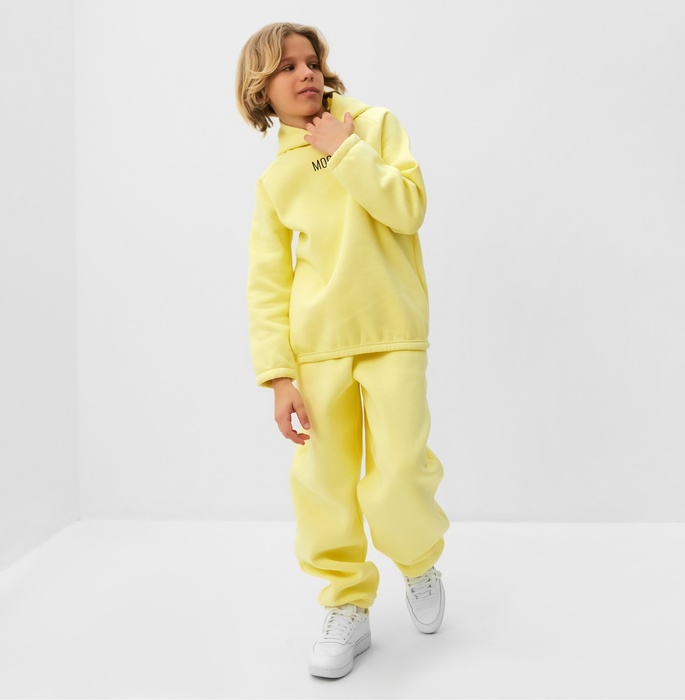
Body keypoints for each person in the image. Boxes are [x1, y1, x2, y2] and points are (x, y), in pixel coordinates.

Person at [236, 21, 449, 679]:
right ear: (261, 89)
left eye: (311, 61)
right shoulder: (277, 178)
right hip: (318, 349)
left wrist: (346, 148)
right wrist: (279, 377)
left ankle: (418, 562)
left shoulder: (374, 125)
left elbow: (408, 208)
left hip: (391, 332)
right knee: (324, 486)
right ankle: (346, 604)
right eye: (287, 66)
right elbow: (268, 282)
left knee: (400, 472)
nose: (306, 73)